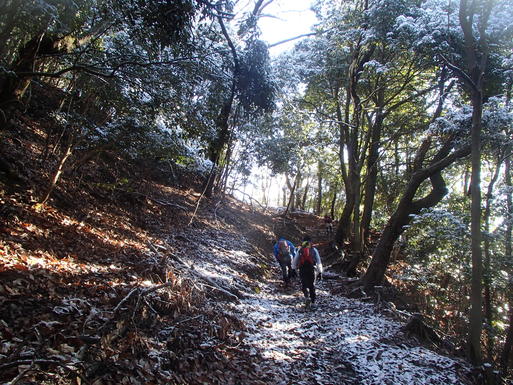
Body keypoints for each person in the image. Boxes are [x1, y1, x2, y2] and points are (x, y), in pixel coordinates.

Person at [292, 236, 323, 308]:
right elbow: (318, 261)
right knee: (312, 285)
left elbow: (295, 260)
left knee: (304, 284)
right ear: (310, 242)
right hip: (311, 269)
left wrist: (293, 269)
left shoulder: (300, 249)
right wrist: (320, 272)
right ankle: (313, 302)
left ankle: (306, 297)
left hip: (302, 269)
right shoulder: (314, 250)